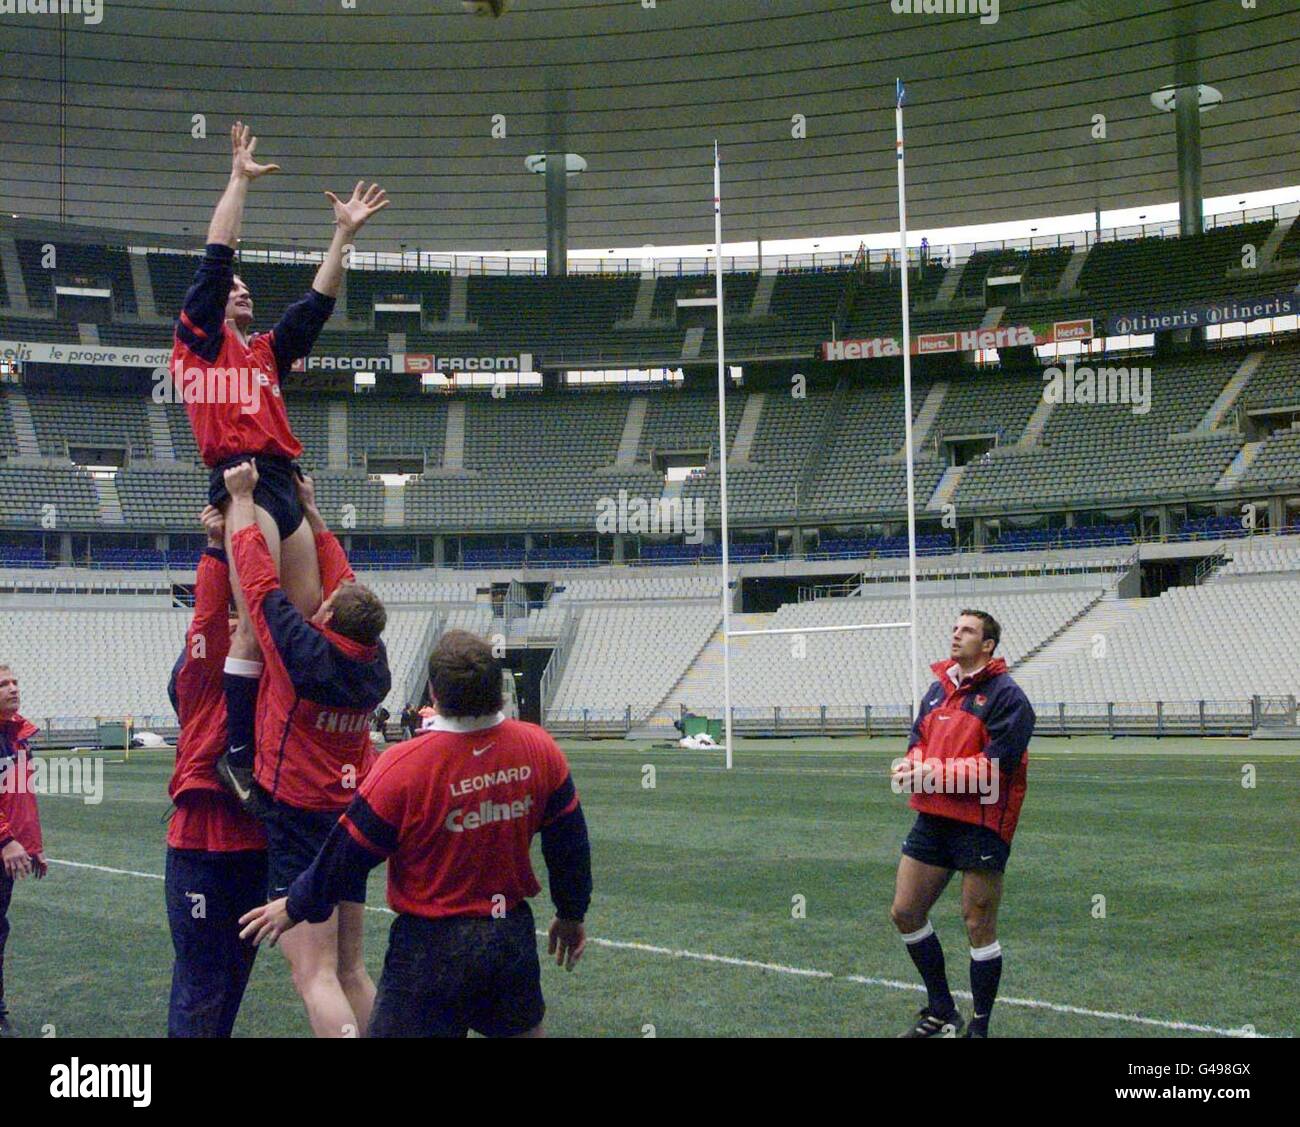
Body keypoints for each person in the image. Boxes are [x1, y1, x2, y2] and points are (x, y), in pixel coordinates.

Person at [170, 121, 387, 804]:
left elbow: (313, 310)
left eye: (241, 285)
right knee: (257, 621)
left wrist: (341, 237)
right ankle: (237, 753)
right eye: (232, 285)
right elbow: (213, 257)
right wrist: (237, 180)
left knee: (307, 616)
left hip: (283, 482)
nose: (239, 288)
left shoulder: (261, 353)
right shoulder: (199, 345)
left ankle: (289, 738)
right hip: (243, 481)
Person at [239, 630, 592, 1039]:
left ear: (433, 693)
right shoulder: (538, 748)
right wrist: (571, 914)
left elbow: (346, 855)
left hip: (429, 946)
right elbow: (570, 845)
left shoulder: (403, 766)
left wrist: (295, 904)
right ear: (498, 690)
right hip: (507, 937)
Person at [224, 461, 391, 1038]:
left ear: (325, 619)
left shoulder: (303, 652)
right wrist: (313, 513)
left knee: (313, 975)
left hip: (299, 815)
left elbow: (258, 584)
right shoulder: (376, 667)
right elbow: (347, 588)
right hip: (352, 814)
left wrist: (242, 501)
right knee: (350, 968)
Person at [889, 610, 1035, 1039]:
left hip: (982, 823)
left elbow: (995, 768)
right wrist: (909, 767)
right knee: (905, 912)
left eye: (967, 630)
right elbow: (917, 743)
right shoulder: (937, 692)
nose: (956, 634)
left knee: (977, 924)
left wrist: (929, 772)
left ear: (988, 645)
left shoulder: (1009, 697)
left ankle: (980, 1028)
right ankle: (941, 1011)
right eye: (954, 628)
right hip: (933, 818)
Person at [164, 506, 268, 1038]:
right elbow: (206, 621)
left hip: (250, 849)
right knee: (203, 983)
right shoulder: (204, 675)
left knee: (230, 980)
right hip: (203, 847)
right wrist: (212, 547)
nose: (235, 625)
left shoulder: (266, 670)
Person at [0, 664, 46, 1038]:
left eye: (15, 681)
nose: (13, 688)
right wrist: (5, 839)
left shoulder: (18, 734)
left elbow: (21, 798)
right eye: (4, 684)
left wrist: (32, 846)